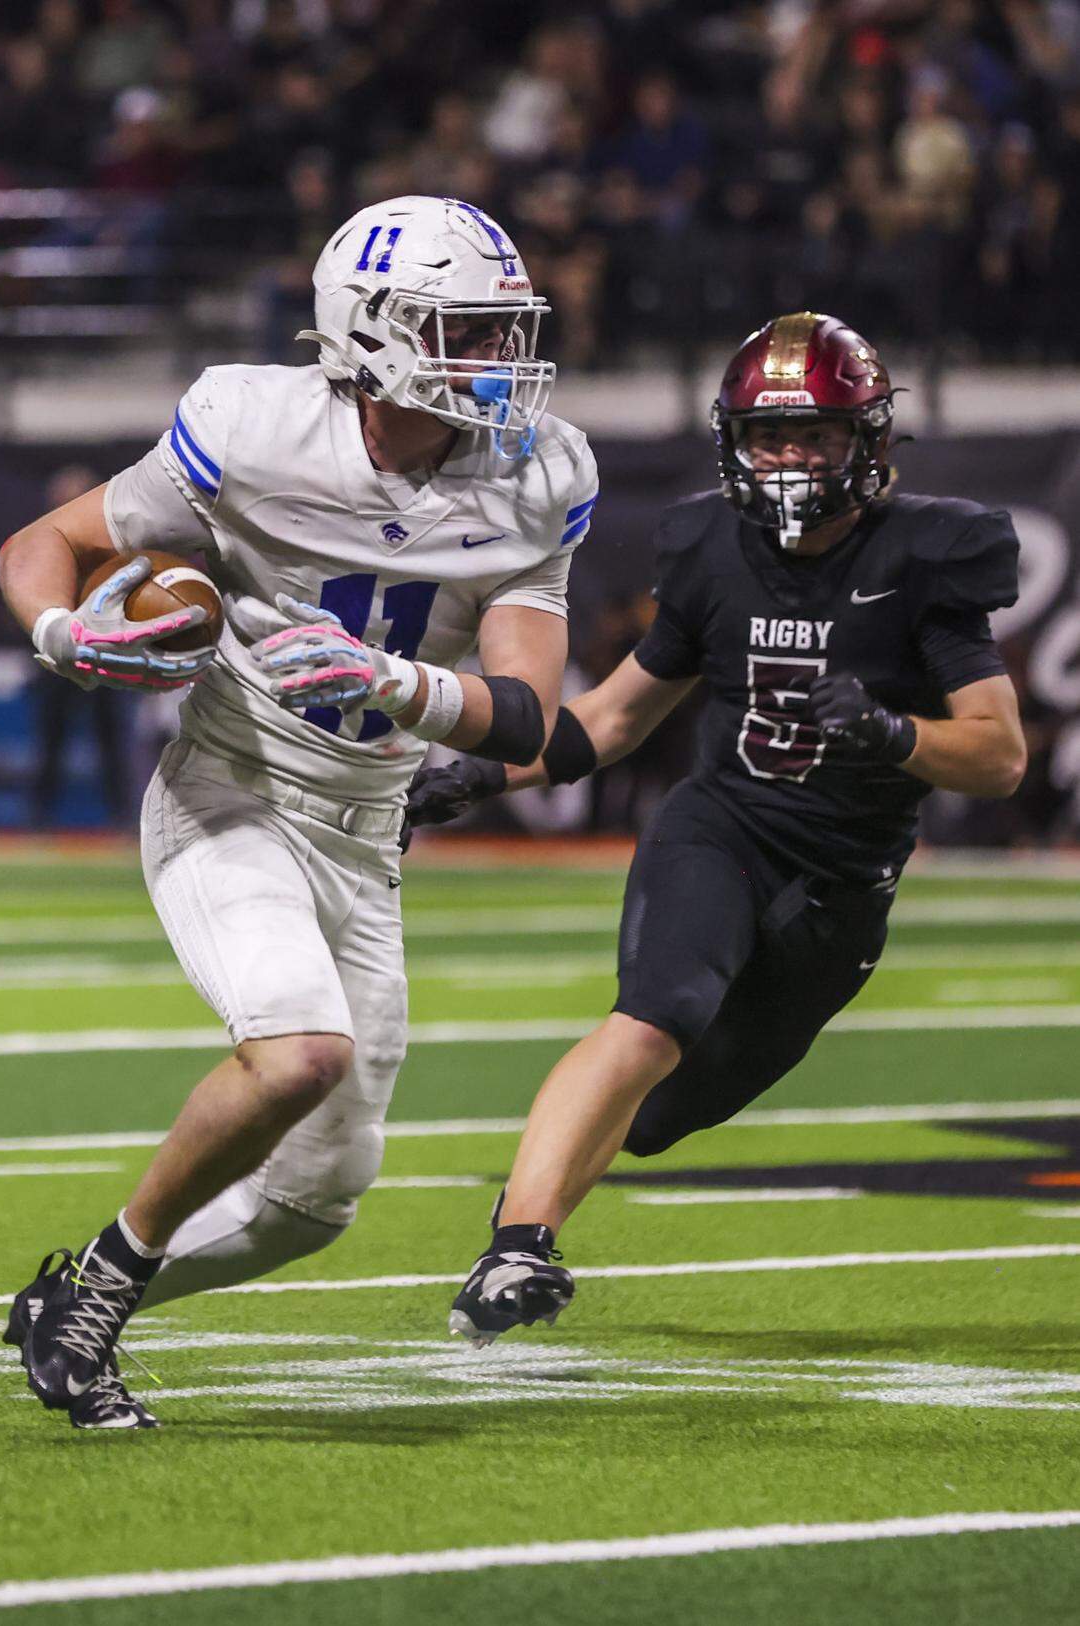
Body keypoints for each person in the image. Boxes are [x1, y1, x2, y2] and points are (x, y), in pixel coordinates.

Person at [0, 194, 597, 1427]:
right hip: (234, 789)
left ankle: (82, 1290)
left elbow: (528, 717)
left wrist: (395, 681)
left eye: (501, 330)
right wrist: (64, 633)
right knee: (300, 1049)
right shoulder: (254, 426)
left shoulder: (540, 473)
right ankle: (102, 1294)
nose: (498, 358)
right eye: (465, 331)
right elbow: (43, 541)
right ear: (371, 331)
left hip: (366, 832)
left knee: (314, 1200)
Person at [405, 311, 1026, 1347]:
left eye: (814, 435)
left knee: (657, 1119)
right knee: (655, 1015)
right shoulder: (710, 545)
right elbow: (613, 718)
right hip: (722, 827)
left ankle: (531, 1223)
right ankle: (516, 1247)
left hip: (839, 886)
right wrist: (480, 774)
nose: (789, 459)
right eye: (769, 436)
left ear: (867, 439)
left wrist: (891, 731)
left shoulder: (926, 554)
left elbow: (999, 756)